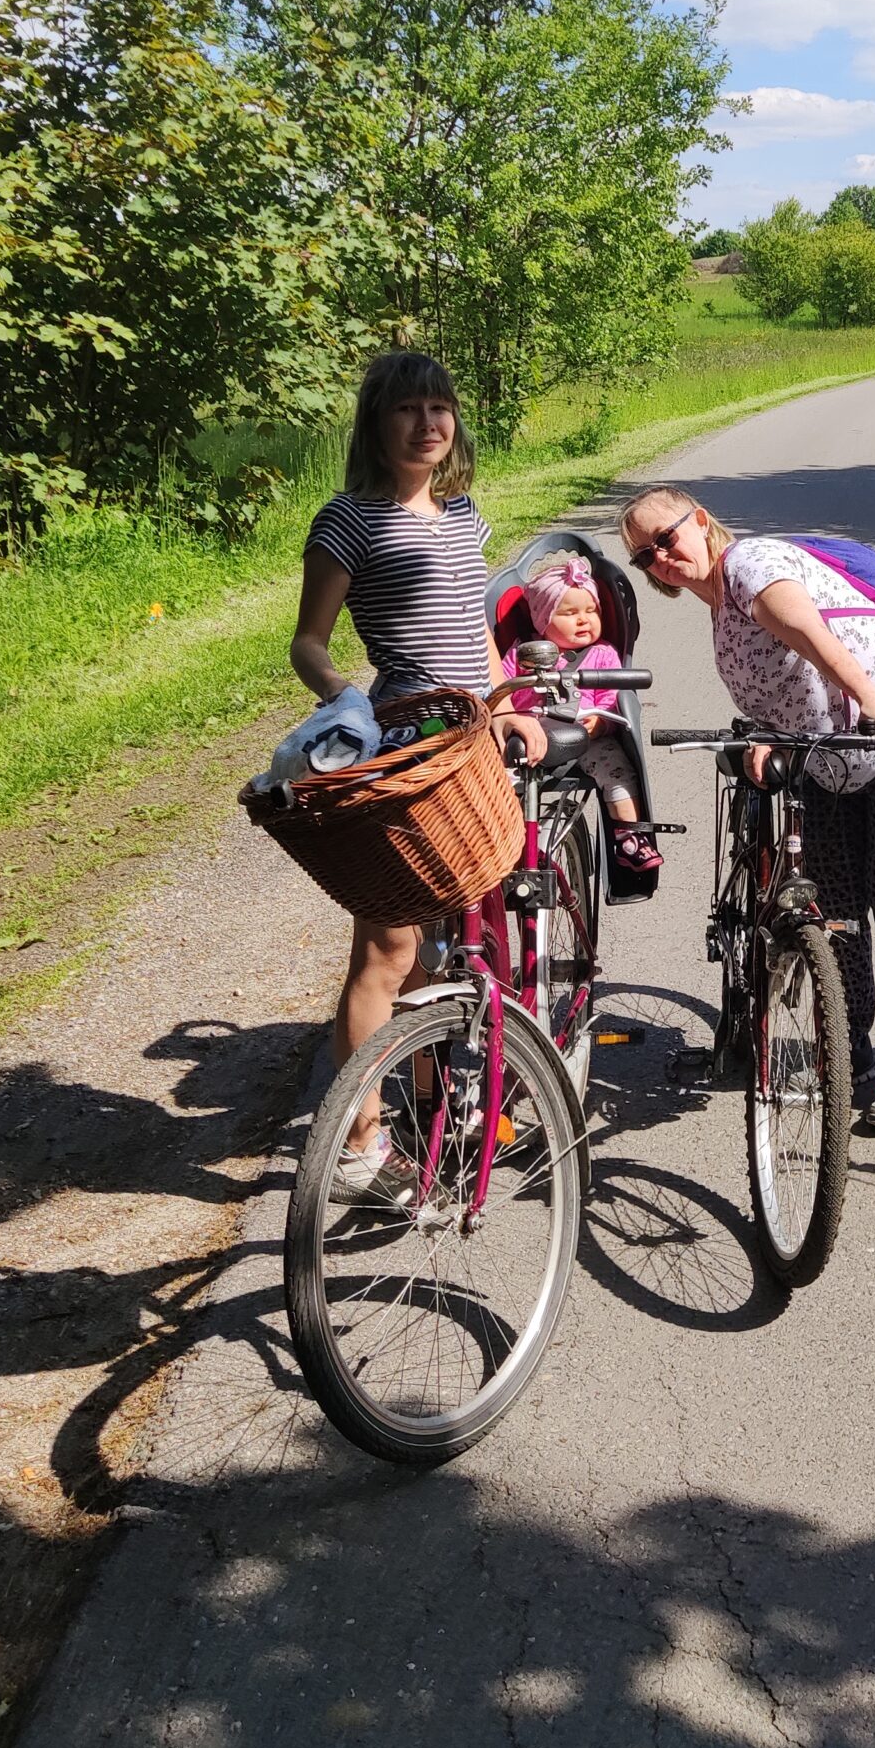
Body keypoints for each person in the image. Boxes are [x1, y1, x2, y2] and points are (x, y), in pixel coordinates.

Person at [617, 484, 875, 1134]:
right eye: (645, 557)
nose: (661, 558)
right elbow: (780, 683)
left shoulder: (748, 565)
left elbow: (802, 624)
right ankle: (850, 1049)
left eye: (665, 538)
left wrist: (873, 701)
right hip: (828, 757)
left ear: (699, 520)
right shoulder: (716, 609)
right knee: (835, 908)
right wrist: (766, 732)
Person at [292, 350, 546, 1202]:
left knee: (453, 933)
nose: (427, 423)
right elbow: (309, 644)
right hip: (403, 743)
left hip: (469, 739)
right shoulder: (347, 521)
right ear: (376, 424)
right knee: (388, 946)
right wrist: (343, 698)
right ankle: (361, 1146)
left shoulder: (461, 513)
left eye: (439, 407)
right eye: (407, 409)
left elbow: (474, 627)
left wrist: (503, 700)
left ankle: (445, 1102)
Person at [502, 552, 663, 873]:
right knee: (498, 781)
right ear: (542, 619)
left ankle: (629, 837)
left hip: (588, 736)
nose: (584, 619)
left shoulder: (602, 653)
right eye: (570, 612)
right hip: (531, 737)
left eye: (592, 611)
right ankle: (507, 840)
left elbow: (611, 696)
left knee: (617, 771)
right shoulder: (523, 652)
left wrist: (601, 722)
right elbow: (503, 688)